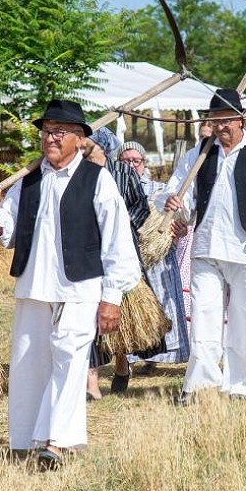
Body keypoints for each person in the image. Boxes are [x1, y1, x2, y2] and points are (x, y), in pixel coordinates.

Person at [0, 99, 140, 469]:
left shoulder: (97, 181)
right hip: (34, 286)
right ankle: (26, 439)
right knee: (28, 363)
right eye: (46, 131)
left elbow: (118, 242)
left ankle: (59, 442)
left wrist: (112, 297)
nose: (50, 138)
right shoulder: (29, 181)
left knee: (69, 360)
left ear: (80, 138)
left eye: (59, 131)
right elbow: (9, 233)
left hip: (80, 288)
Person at [162, 88, 246, 401]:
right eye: (216, 120)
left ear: (242, 120)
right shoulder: (199, 154)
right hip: (206, 248)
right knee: (204, 318)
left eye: (228, 120)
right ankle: (200, 386)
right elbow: (180, 199)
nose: (222, 126)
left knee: (243, 318)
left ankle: (239, 385)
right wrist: (175, 204)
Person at [80, 137, 153, 398]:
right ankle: (91, 382)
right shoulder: (78, 172)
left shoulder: (122, 171)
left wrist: (121, 224)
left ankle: (122, 364)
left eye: (89, 145)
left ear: (102, 147)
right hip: (87, 252)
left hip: (121, 251)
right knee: (88, 315)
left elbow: (141, 207)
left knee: (117, 314)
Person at [117, 141, 191, 373]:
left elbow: (181, 221)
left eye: (135, 161)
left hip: (157, 262)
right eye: (125, 161)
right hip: (128, 261)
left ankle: (155, 358)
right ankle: (127, 358)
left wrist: (180, 230)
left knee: (160, 307)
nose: (131, 165)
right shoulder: (113, 187)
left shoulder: (160, 190)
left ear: (143, 163)